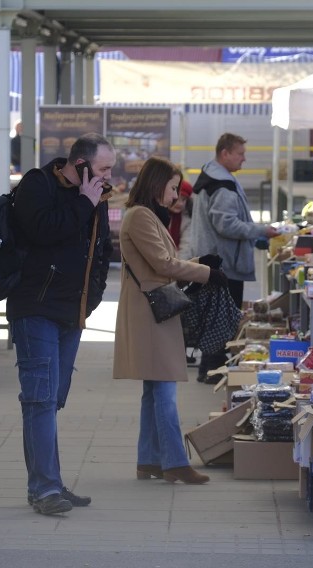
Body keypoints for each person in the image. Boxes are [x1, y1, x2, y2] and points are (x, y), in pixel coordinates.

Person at [6, 132, 115, 515]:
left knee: (51, 401)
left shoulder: (95, 197)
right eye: (102, 169)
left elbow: (100, 251)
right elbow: (45, 231)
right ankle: (45, 489)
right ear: (80, 164)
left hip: (71, 314)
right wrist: (85, 202)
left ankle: (49, 482)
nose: (108, 176)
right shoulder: (38, 185)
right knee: (38, 400)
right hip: (35, 309)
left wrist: (93, 299)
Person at [113, 156, 228, 485]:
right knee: (164, 390)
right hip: (151, 312)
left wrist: (198, 263)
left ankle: (148, 459)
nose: (176, 195)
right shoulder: (141, 217)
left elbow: (163, 263)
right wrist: (206, 273)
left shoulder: (144, 215)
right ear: (156, 184)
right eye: (173, 187)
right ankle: (174, 462)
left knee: (154, 390)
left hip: (152, 310)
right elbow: (163, 264)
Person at [189, 133, 278, 384]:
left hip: (213, 259)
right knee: (223, 318)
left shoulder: (214, 178)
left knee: (215, 316)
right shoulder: (223, 185)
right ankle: (212, 371)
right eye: (240, 153)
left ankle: (210, 369)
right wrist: (261, 230)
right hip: (224, 262)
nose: (244, 159)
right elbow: (225, 224)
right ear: (224, 153)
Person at [168, 179, 194, 260]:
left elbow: (186, 246)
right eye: (177, 199)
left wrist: (178, 265)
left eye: (184, 199)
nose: (180, 203)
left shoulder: (188, 218)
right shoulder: (156, 215)